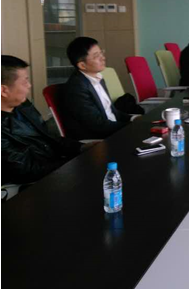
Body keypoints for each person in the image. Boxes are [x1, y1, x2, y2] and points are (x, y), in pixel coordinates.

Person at [2, 55, 82, 185]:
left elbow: (48, 137)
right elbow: (27, 171)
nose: (29, 85)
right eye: (24, 82)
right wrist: (75, 162)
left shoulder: (22, 105)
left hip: (55, 166)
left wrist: (80, 148)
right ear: (4, 90)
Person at [62, 37, 134, 140]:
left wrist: (134, 118)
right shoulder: (77, 88)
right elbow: (98, 126)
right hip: (100, 139)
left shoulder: (98, 78)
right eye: (96, 56)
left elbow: (112, 112)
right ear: (82, 65)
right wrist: (133, 126)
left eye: (101, 53)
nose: (103, 58)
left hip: (113, 130)